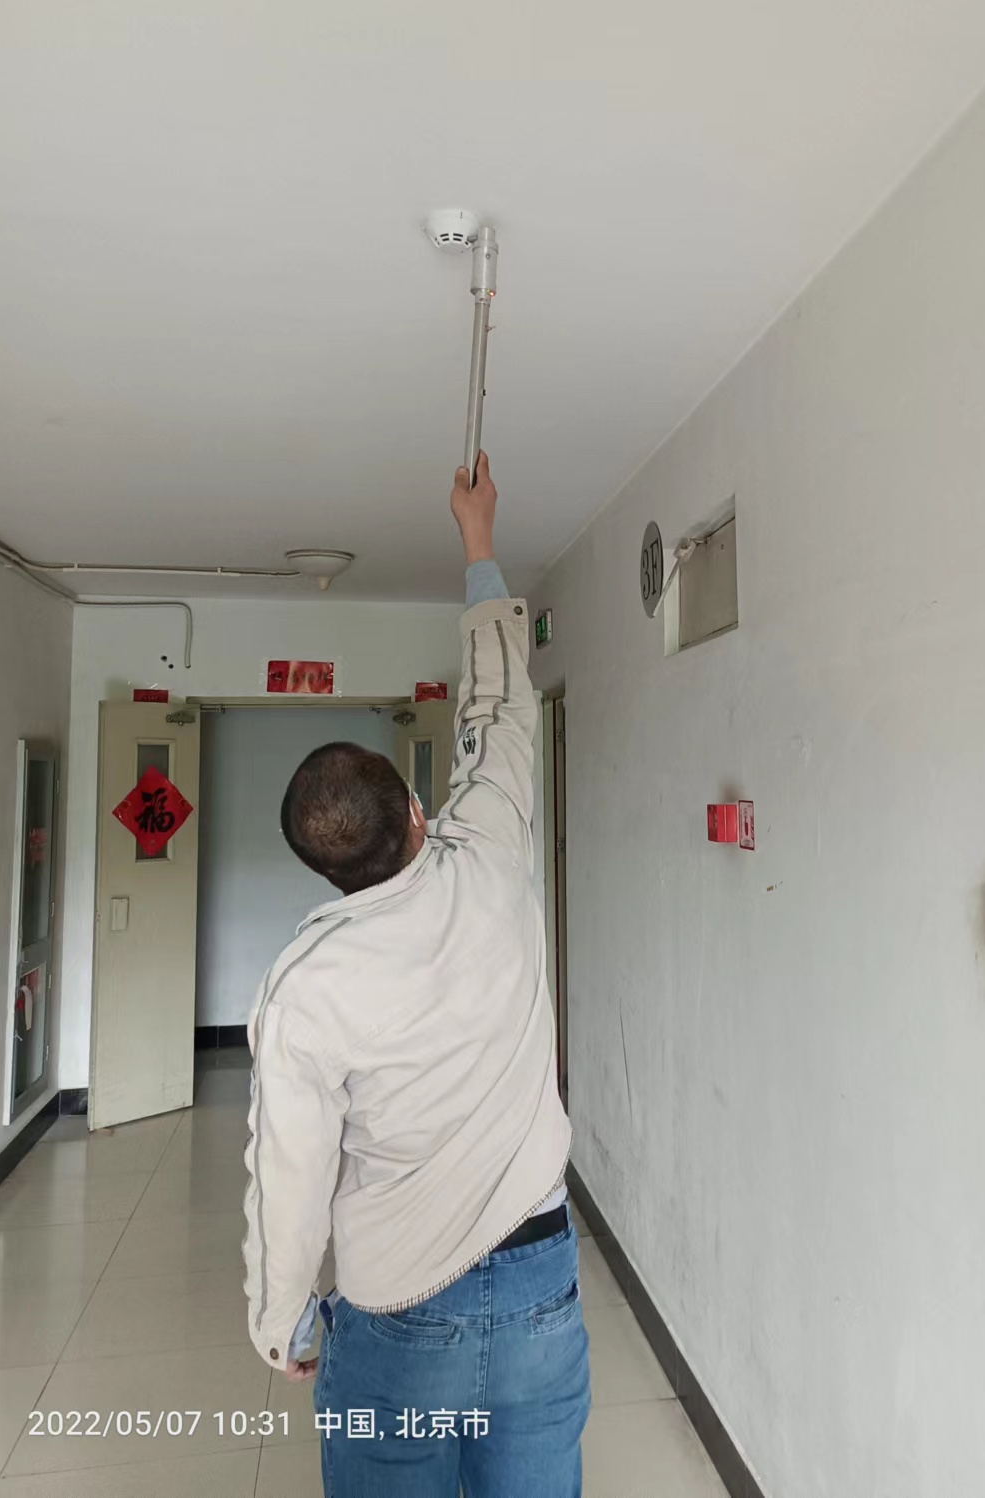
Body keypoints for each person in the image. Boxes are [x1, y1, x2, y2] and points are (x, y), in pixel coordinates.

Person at [241, 453, 588, 1496]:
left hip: (396, 1305)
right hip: (538, 1280)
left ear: (323, 867)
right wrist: (478, 540)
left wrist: (284, 1315)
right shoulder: (490, 858)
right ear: (420, 812)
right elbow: (501, 711)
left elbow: (290, 1168)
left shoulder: (305, 984)